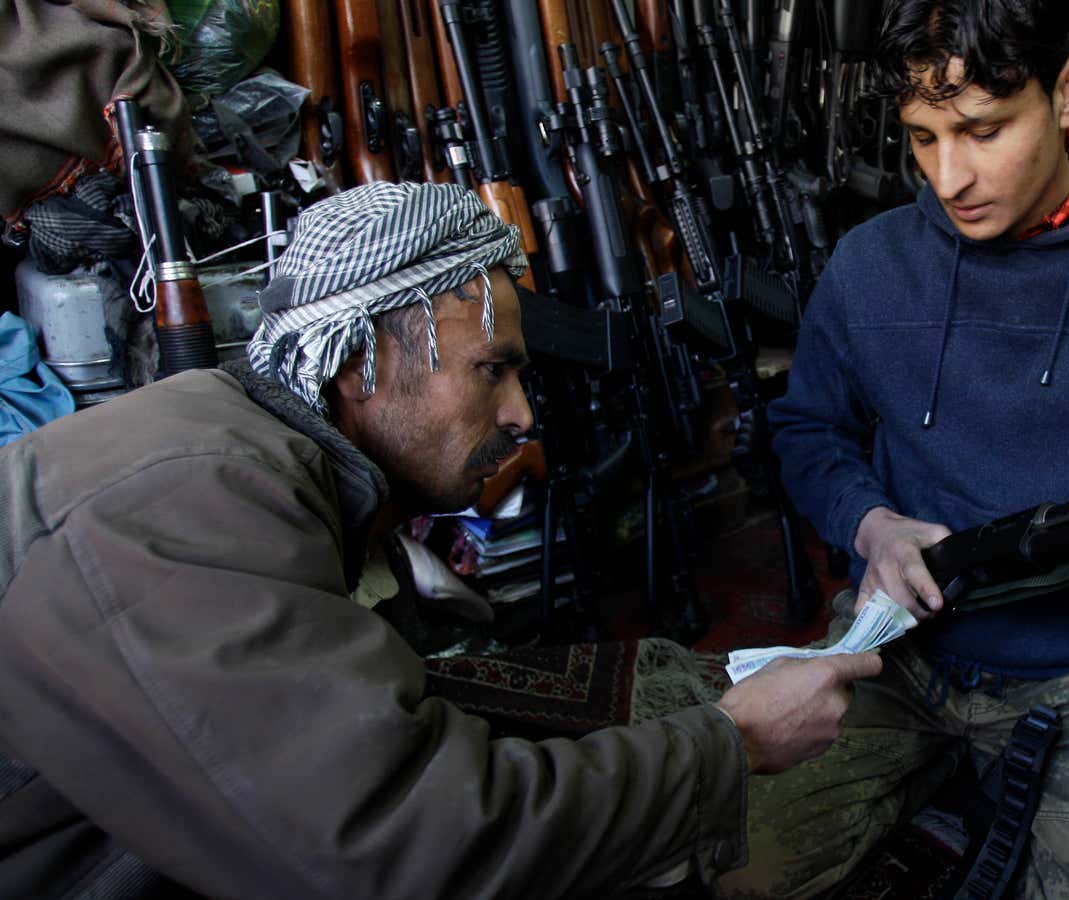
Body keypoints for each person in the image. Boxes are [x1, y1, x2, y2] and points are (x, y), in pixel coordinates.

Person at [0, 182, 880, 899]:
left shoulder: (245, 457)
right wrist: (732, 744)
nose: (522, 417)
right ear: (356, 363)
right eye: (490, 370)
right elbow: (404, 848)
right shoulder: (200, 498)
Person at [716, 2, 1069, 898]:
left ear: (1066, 92)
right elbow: (807, 426)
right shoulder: (871, 262)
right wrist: (870, 527)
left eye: (983, 131)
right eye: (922, 137)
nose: (950, 177)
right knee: (729, 865)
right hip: (895, 647)